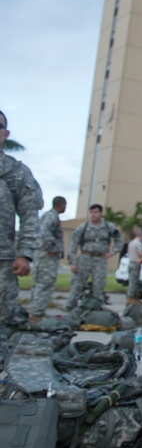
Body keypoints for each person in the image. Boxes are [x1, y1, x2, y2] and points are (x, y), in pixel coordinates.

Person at [0, 109, 41, 326]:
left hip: (3, 261)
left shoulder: (16, 172)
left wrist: (25, 254)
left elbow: (29, 216)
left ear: (5, 134)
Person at [66, 203, 122, 311]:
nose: (93, 215)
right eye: (91, 212)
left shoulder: (108, 227)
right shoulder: (83, 227)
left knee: (98, 285)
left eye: (96, 212)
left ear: (101, 213)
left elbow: (119, 240)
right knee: (78, 284)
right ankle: (70, 306)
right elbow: (73, 244)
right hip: (84, 258)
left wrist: (112, 252)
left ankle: (97, 307)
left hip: (100, 259)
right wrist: (72, 262)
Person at [28, 195, 66, 322]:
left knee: (38, 285)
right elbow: (44, 232)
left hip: (42, 255)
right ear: (62, 205)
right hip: (46, 257)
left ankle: (34, 312)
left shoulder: (48, 216)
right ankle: (36, 315)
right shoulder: (52, 216)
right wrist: (52, 248)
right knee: (44, 285)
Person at [125, 228, 142, 303]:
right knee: (134, 281)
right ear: (141, 236)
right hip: (136, 263)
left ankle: (129, 294)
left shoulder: (131, 242)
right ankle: (131, 296)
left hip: (130, 262)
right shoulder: (138, 243)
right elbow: (140, 253)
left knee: (131, 280)